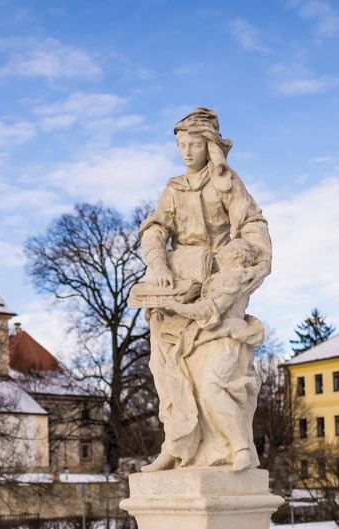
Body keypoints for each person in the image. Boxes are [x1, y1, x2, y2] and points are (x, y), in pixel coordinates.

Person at [139, 108, 272, 472]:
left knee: (209, 376)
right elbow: (154, 230)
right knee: (165, 370)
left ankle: (230, 446)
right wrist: (158, 263)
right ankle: (177, 446)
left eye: (194, 143)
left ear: (209, 145)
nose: (186, 151)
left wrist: (245, 264)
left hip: (216, 289)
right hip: (176, 287)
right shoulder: (173, 188)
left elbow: (252, 226)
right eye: (181, 144)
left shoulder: (225, 183)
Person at [161, 239, 269, 470]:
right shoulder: (228, 278)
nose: (220, 253)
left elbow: (208, 310)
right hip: (208, 340)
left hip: (225, 341)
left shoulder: (232, 278)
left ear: (237, 255)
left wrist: (173, 305)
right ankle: (203, 447)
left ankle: (240, 448)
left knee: (211, 389)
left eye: (227, 250)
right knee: (196, 392)